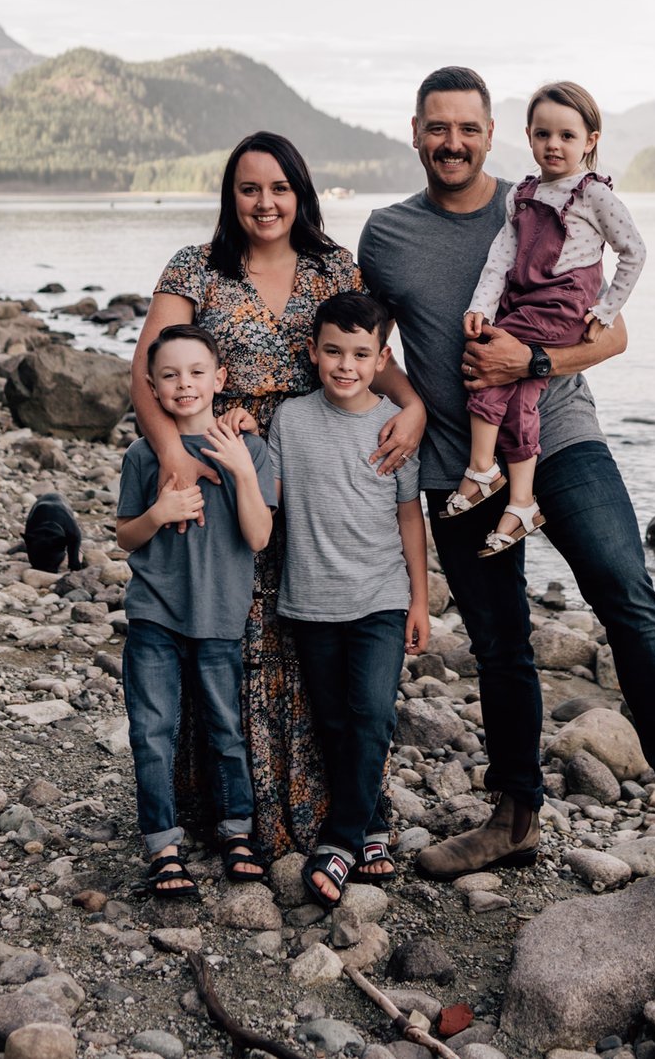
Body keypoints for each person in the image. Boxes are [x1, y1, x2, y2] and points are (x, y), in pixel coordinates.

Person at [358, 65, 655, 892]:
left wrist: (532, 358)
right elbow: (367, 347)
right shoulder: (386, 235)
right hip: (461, 466)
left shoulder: (543, 199)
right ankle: (515, 817)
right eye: (436, 127)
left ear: (492, 134)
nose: (451, 142)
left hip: (561, 438)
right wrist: (411, 406)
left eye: (467, 128)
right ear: (415, 132)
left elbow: (614, 336)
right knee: (499, 645)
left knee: (626, 599)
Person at [132, 131, 425, 868]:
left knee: (319, 653)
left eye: (279, 188)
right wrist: (175, 457)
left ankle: (346, 815)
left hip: (313, 472)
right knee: (227, 642)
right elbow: (147, 369)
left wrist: (414, 405)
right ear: (231, 197)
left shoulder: (332, 267)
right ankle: (230, 816)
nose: (265, 203)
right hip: (225, 472)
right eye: (249, 188)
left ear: (301, 194)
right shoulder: (195, 267)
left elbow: (365, 352)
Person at [268, 290, 429, 907]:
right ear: (312, 352)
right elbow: (272, 494)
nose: (345, 365)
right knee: (334, 723)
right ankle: (375, 823)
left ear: (381, 356)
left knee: (372, 713)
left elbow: (409, 516)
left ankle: (337, 842)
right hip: (310, 597)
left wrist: (419, 598)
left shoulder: (392, 421)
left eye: (361, 354)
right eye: (333, 351)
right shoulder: (291, 418)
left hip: (380, 596)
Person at [449, 81, 647, 558]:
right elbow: (501, 257)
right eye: (543, 135)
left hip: (562, 303)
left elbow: (633, 252)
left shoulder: (593, 195)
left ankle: (482, 469)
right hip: (527, 300)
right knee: (518, 401)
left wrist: (606, 309)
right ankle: (520, 503)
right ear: (529, 136)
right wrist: (479, 305)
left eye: (566, 136)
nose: (553, 145)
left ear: (590, 141)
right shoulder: (522, 193)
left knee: (484, 365)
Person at [113, 324, 277, 899]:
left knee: (225, 729)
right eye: (170, 376)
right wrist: (159, 512)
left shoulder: (250, 449)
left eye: (196, 372)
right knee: (152, 732)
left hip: (220, 619)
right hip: (154, 617)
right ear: (153, 389)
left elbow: (259, 537)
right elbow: (125, 538)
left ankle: (237, 833)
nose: (185, 384)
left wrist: (243, 471)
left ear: (220, 380)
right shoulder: (142, 455)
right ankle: (162, 844)